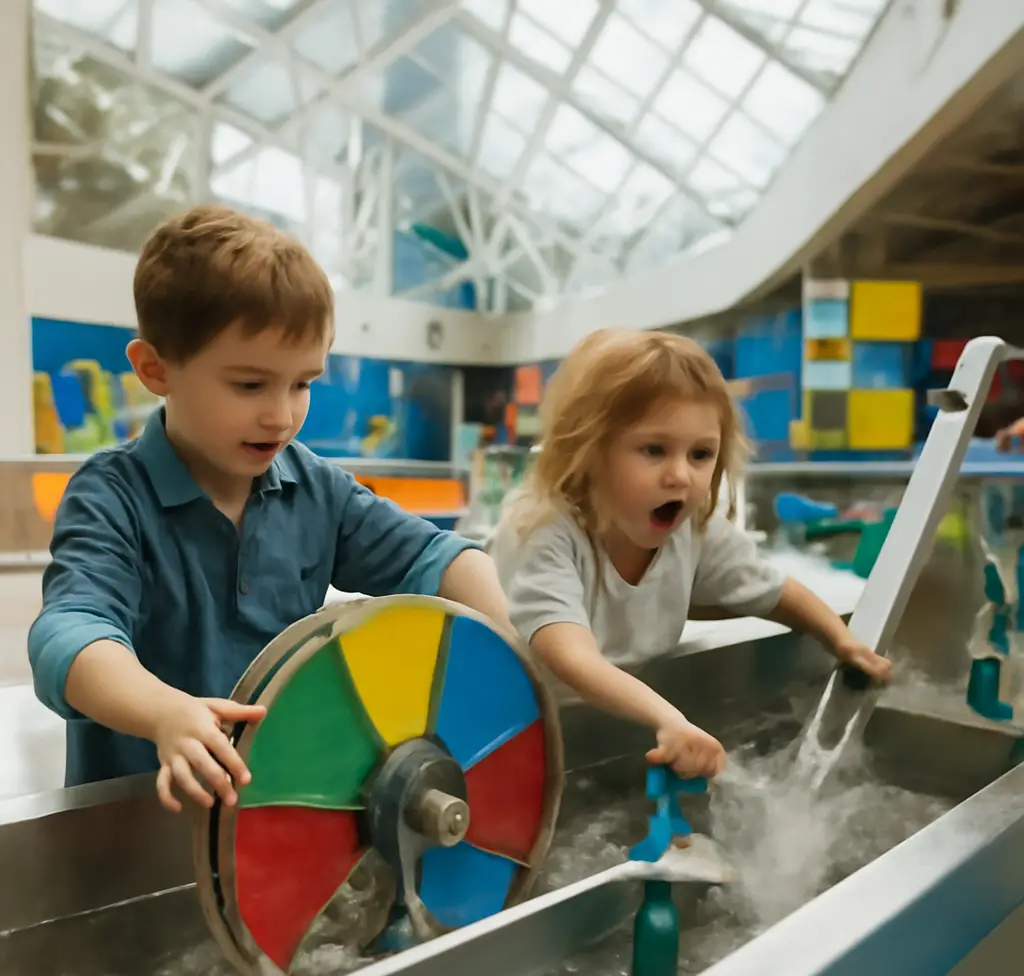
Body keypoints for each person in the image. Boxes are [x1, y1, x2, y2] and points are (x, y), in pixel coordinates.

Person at [28, 204, 513, 814]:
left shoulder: (318, 490)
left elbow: (438, 558)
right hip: (141, 832)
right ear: (156, 370)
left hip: (279, 816)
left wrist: (510, 646)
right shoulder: (112, 498)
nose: (281, 416)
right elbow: (68, 636)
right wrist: (165, 713)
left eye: (303, 383)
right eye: (250, 385)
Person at [489, 329, 891, 780]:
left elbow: (774, 591)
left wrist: (841, 640)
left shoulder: (692, 529)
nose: (680, 475)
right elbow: (570, 658)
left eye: (701, 454)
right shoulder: (543, 531)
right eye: (654, 450)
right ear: (588, 451)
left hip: (602, 727)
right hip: (503, 729)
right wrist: (669, 719)